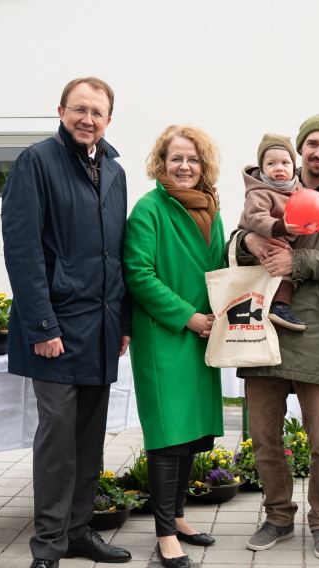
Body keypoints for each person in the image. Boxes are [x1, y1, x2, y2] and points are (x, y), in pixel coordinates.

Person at [1, 76, 132, 568]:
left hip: (99, 329)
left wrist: (123, 323)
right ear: (60, 111)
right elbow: (23, 250)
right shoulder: (36, 162)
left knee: (89, 442)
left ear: (108, 120)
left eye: (97, 112)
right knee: (57, 442)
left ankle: (79, 533)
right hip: (54, 329)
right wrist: (42, 326)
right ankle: (49, 546)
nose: (87, 119)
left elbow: (117, 254)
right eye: (79, 109)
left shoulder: (115, 172)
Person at [234, 114, 319, 560]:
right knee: (264, 436)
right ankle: (277, 516)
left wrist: (298, 265)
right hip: (262, 328)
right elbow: (240, 235)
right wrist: (245, 243)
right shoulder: (271, 191)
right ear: (300, 151)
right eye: (311, 144)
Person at [123, 125, 226, 568]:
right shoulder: (149, 210)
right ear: (161, 163)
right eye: (176, 158)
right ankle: (165, 535)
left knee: (189, 434)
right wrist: (188, 316)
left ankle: (179, 517)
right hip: (166, 335)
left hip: (205, 332)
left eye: (193, 159)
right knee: (167, 435)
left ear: (204, 165)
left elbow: (220, 264)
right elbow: (139, 273)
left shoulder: (212, 208)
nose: (185, 166)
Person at [237, 133, 307, 331]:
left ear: (294, 166)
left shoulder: (298, 190)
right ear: (262, 168)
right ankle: (273, 306)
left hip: (281, 241)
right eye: (271, 163)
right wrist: (280, 227)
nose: (279, 168)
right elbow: (256, 217)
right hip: (259, 241)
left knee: (291, 271)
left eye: (285, 162)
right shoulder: (258, 191)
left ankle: (280, 306)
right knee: (272, 272)